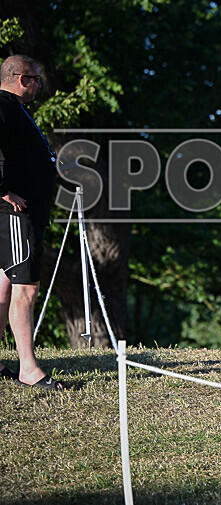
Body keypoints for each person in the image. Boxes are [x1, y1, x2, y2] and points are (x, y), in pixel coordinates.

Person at [0, 54, 69, 390]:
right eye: (37, 79)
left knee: (3, 286)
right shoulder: (3, 106)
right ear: (22, 78)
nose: (40, 86)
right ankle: (28, 369)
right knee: (25, 287)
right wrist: (2, 191)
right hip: (17, 214)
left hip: (26, 213)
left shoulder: (16, 109)